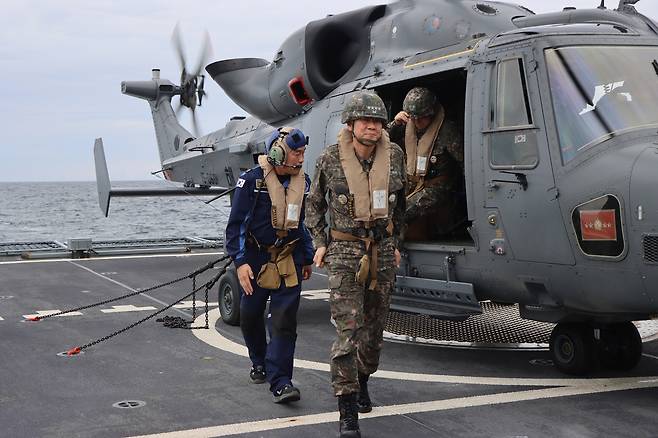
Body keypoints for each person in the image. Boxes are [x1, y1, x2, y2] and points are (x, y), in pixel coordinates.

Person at [305, 92, 406, 437]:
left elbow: (401, 205)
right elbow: (314, 205)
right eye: (365, 121)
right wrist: (320, 243)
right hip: (345, 253)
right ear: (350, 125)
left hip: (383, 249)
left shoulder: (394, 156)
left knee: (374, 335)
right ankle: (347, 409)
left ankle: (363, 379)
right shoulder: (330, 159)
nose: (372, 127)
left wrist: (397, 243)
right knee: (348, 333)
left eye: (378, 121)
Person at [225, 127, 314, 404]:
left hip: (289, 258)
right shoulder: (251, 182)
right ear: (278, 153)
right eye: (296, 153)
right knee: (250, 315)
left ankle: (281, 382)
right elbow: (236, 225)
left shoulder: (304, 182)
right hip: (255, 259)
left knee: (284, 321)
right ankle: (259, 360)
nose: (300, 159)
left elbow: (301, 224)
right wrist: (239, 263)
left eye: (302, 153)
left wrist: (307, 256)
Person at [387, 86, 464, 224]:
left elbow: (464, 162)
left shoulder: (447, 131)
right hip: (410, 183)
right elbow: (379, 141)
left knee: (402, 211)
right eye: (413, 118)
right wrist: (395, 123)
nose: (416, 123)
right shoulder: (406, 125)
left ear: (431, 114)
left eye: (421, 118)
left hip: (437, 186)